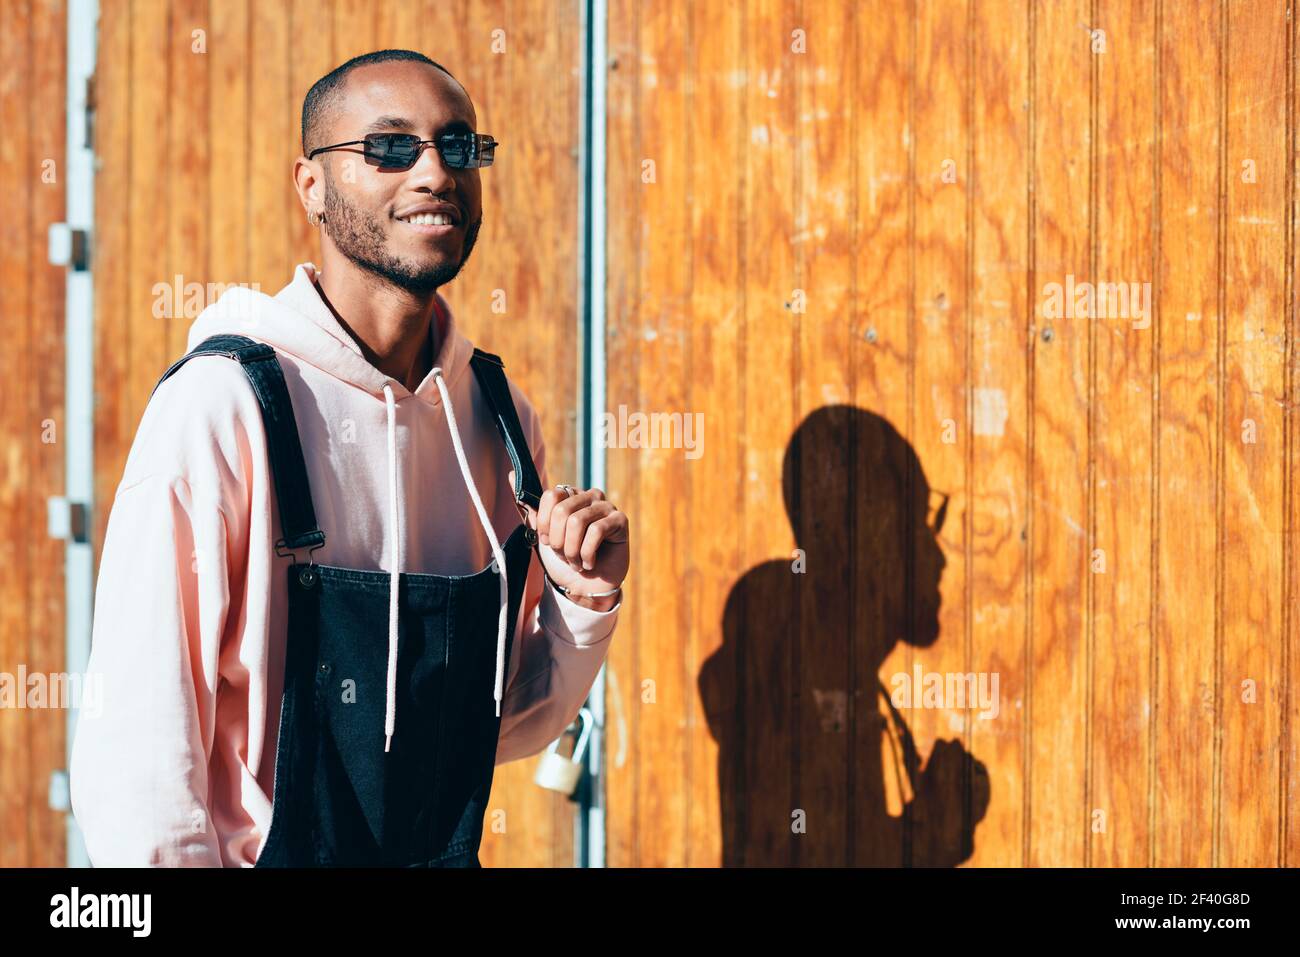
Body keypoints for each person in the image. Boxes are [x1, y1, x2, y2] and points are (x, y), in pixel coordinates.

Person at [69, 48, 629, 867]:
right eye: (391, 147)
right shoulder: (223, 407)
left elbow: (497, 726)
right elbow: (140, 756)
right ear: (311, 186)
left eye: (459, 145)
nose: (435, 170)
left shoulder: (499, 424)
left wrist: (584, 599)